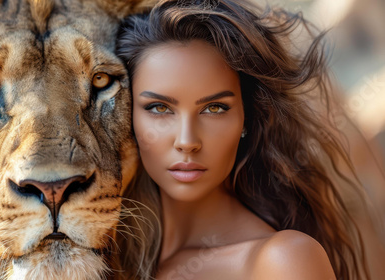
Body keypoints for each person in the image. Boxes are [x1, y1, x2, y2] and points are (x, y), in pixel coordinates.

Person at [114, 0, 371, 279]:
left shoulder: (280, 261)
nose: (187, 141)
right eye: (159, 108)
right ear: (127, 114)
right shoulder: (109, 261)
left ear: (246, 118)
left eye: (214, 108)